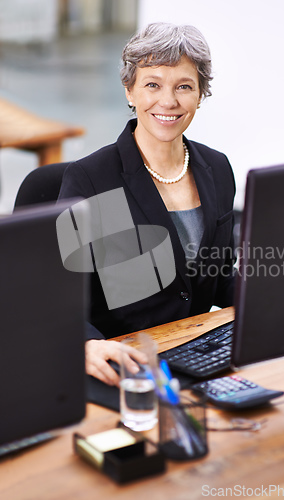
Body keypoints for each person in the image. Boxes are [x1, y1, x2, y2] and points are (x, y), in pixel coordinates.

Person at [58, 22, 236, 386]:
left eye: (184, 86)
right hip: (124, 365)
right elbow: (53, 294)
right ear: (130, 90)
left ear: (200, 94)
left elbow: (219, 277)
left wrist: (275, 305)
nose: (168, 101)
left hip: (196, 353)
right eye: (152, 84)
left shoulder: (216, 168)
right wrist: (84, 344)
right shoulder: (93, 179)